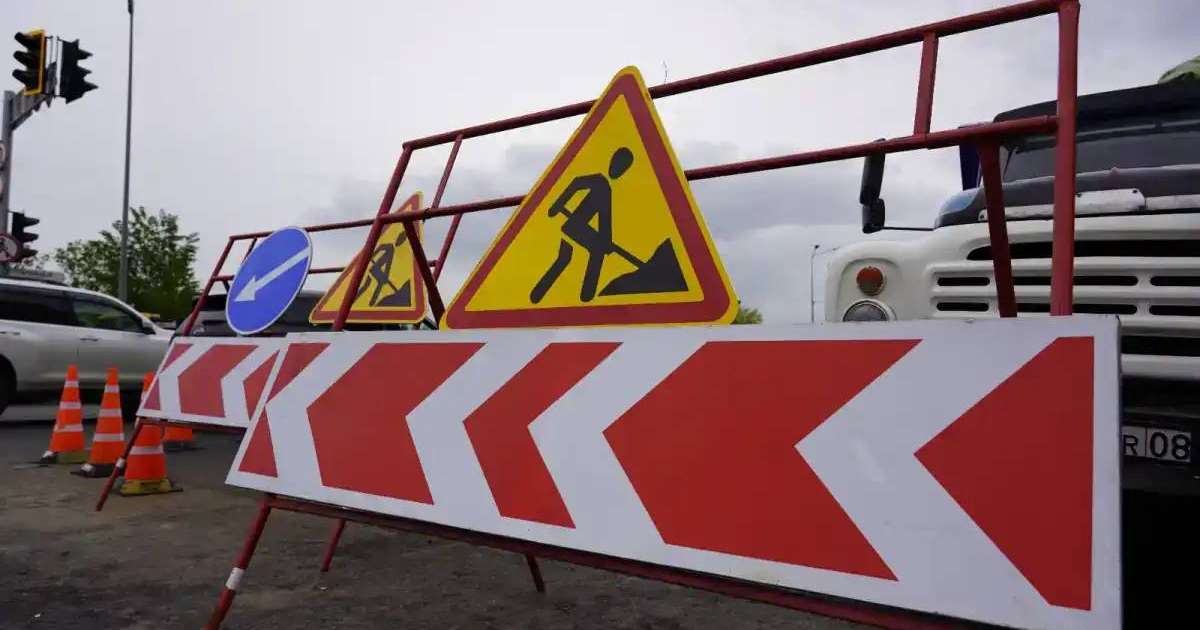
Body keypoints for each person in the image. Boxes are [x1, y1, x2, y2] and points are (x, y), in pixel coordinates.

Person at [531, 147, 634, 303]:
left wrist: (607, 241)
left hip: (576, 227)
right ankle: (587, 294)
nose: (619, 171)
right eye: (619, 166)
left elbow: (604, 219)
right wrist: (557, 205)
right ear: (613, 162)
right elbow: (576, 183)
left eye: (623, 169)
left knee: (565, 259)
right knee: (592, 252)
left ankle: (539, 296)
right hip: (574, 226)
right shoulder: (601, 182)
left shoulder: (606, 188)